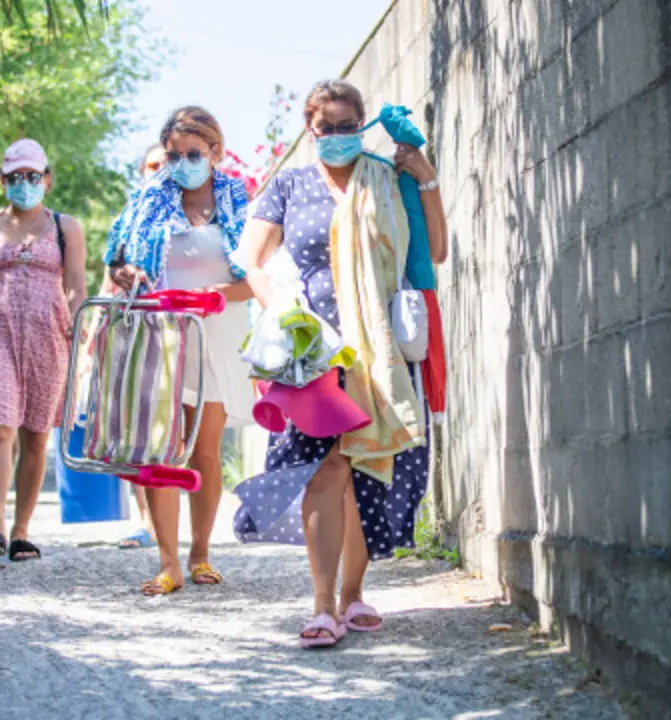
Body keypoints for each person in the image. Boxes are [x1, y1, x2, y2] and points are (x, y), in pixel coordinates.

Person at [234, 79, 448, 647]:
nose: (335, 135)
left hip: (380, 350)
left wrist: (424, 175)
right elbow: (250, 260)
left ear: (362, 126)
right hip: (314, 351)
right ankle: (323, 605)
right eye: (324, 127)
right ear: (310, 130)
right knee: (326, 469)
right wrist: (284, 314)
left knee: (369, 467)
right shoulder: (290, 186)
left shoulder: (388, 179)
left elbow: (437, 251)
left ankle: (354, 594)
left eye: (346, 126)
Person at [104, 107, 255, 594]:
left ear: (215, 151)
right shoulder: (149, 198)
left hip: (219, 329)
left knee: (205, 449)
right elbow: (117, 257)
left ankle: (201, 554)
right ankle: (168, 562)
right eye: (174, 155)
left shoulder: (237, 197)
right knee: (163, 444)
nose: (183, 163)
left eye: (194, 154)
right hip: (162, 329)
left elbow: (256, 274)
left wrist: (218, 295)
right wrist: (125, 272)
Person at [0, 138, 88, 562]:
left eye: (32, 176)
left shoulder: (66, 227)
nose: (24, 183)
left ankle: (22, 530)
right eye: (15, 177)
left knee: (36, 434)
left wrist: (79, 321)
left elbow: (76, 284)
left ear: (46, 179)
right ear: (3, 180)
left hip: (50, 337)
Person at [112, 142, 169, 551]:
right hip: (135, 326)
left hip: (182, 328)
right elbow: (111, 271)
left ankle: (177, 527)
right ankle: (146, 521)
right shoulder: (130, 216)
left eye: (167, 163)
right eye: (152, 165)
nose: (161, 171)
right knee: (138, 425)